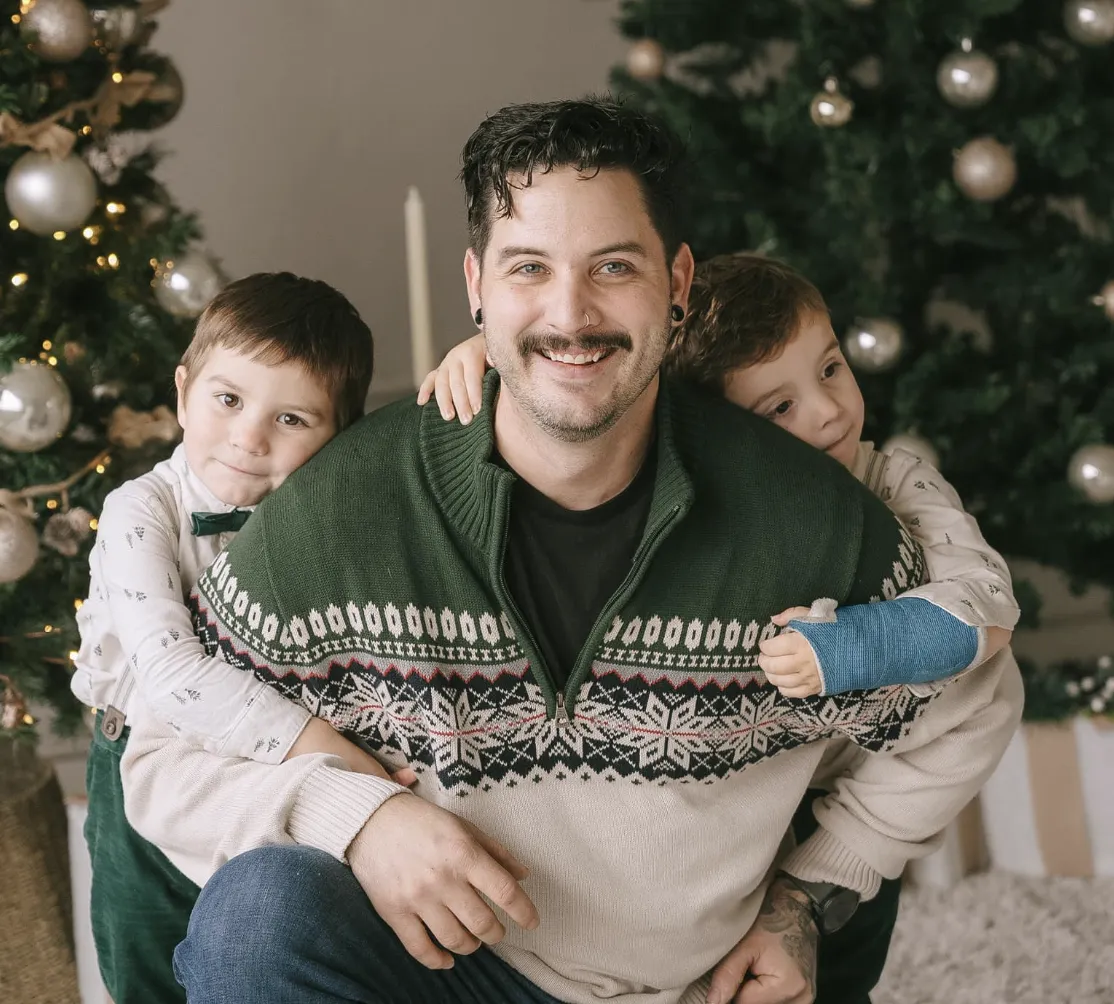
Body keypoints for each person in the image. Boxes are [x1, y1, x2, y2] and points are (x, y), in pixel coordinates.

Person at [120, 98, 1022, 1004]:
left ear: (676, 281)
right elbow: (163, 756)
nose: (570, 314)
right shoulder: (341, 508)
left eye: (614, 267)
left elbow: (971, 701)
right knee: (260, 915)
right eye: (528, 268)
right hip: (435, 975)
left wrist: (807, 895)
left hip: (680, 988)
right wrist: (359, 819)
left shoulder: (806, 514)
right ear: (476, 285)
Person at [418, 251, 1021, 700]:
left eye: (830, 368)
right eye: (780, 407)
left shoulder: (899, 484)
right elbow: (625, 391)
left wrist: (854, 648)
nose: (829, 411)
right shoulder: (697, 496)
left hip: (904, 757)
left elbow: (991, 612)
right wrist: (485, 353)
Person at [72, 272, 411, 1004]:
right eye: (228, 399)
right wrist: (334, 754)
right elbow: (171, 674)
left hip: (257, 777)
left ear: (338, 437)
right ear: (183, 390)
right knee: (143, 954)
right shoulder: (140, 511)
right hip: (138, 756)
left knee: (244, 941)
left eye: (292, 419)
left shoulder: (320, 519)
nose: (250, 438)